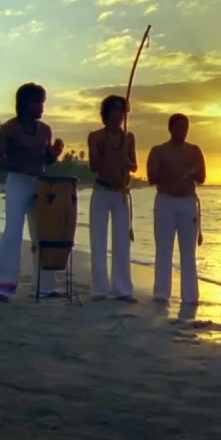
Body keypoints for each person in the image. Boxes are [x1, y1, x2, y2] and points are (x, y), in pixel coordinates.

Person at [0, 83, 65, 302]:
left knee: (44, 234)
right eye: (37, 102)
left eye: (43, 102)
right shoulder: (10, 128)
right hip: (18, 182)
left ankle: (45, 287)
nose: (41, 107)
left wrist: (55, 154)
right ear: (25, 103)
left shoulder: (45, 130)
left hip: (40, 183)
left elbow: (45, 160)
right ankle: (2, 286)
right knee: (13, 231)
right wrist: (20, 167)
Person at [146, 113, 206, 305]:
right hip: (166, 201)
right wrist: (173, 173)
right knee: (164, 248)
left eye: (186, 128)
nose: (183, 132)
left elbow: (202, 177)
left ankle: (190, 296)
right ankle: (161, 293)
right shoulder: (159, 151)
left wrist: (191, 170)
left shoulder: (194, 150)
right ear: (170, 129)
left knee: (188, 252)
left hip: (187, 202)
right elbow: (152, 176)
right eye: (179, 128)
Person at [87, 95, 137, 302]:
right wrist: (104, 152)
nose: (119, 117)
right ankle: (99, 289)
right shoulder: (96, 137)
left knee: (122, 242)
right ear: (107, 114)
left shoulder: (129, 137)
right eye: (116, 112)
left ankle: (123, 289)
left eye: (122, 113)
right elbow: (94, 166)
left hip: (121, 194)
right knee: (98, 240)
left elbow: (134, 166)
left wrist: (127, 163)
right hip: (101, 191)